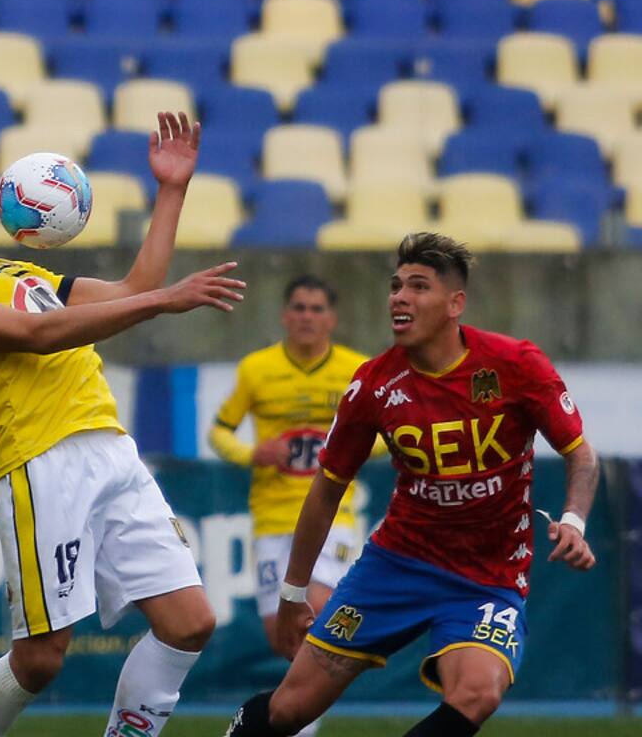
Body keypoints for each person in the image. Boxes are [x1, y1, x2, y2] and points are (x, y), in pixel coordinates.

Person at [0, 112, 246, 737]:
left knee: (190, 622)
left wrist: (171, 190)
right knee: (40, 658)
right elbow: (35, 335)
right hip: (41, 461)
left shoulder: (1, 271)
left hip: (111, 449)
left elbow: (137, 285)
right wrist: (162, 303)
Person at [224, 232, 599, 737]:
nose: (399, 297)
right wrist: (293, 591)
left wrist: (574, 520)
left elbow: (580, 453)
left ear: (454, 303)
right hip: (395, 566)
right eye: (396, 286)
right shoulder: (372, 386)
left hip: (488, 576)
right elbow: (327, 488)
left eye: (418, 287)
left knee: (478, 691)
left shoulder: (515, 365)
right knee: (291, 709)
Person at [209, 275, 384, 736]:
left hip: (334, 517)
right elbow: (219, 431)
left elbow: (390, 436)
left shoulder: (357, 369)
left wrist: (350, 453)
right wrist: (253, 453)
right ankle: (288, 719)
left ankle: (293, 727)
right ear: (286, 315)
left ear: (332, 318)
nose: (307, 316)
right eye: (299, 308)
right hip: (272, 519)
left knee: (316, 618)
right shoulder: (256, 370)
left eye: (316, 308)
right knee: (283, 637)